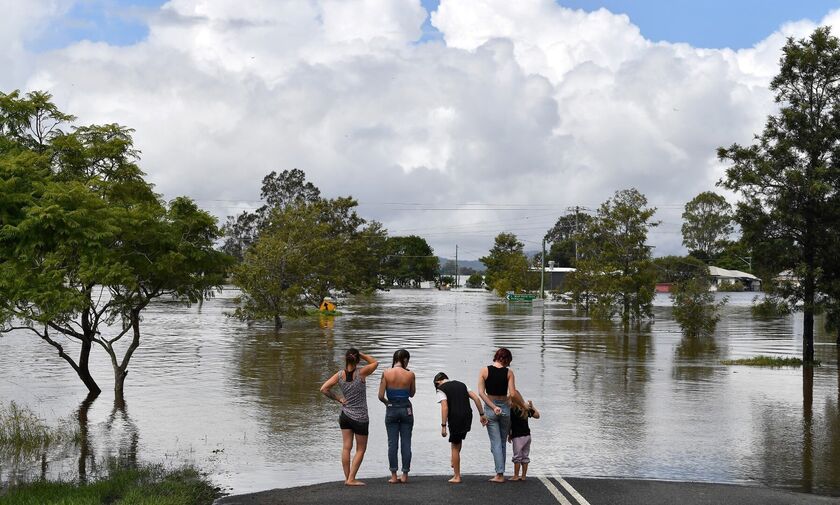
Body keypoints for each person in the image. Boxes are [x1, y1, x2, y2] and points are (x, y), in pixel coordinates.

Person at [319, 348, 379, 486]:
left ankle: (348, 478)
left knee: (346, 447)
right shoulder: (361, 373)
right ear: (357, 360)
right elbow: (375, 363)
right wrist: (362, 354)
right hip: (360, 417)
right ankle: (351, 479)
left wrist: (338, 398)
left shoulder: (339, 375)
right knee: (361, 449)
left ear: (346, 359)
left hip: (345, 415)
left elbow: (323, 389)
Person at [434, 372, 487, 484]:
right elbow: (476, 398)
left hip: (455, 417)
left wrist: (443, 426)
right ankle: (454, 460)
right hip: (467, 416)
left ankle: (457, 476)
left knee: (454, 445)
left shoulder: (441, 389)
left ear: (438, 382)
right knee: (457, 441)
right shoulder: (462, 384)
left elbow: (444, 407)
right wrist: (482, 414)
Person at [477, 347, 516, 483]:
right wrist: (509, 401)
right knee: (502, 442)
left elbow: (481, 393)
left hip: (490, 407)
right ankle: (501, 472)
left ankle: (499, 474)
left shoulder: (484, 371)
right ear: (507, 359)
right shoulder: (509, 373)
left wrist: (493, 407)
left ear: (496, 357)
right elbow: (512, 393)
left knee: (495, 442)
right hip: (505, 407)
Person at [377, 349, 416, 483]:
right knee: (406, 442)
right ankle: (405, 475)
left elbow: (380, 396)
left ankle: (394, 476)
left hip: (392, 408)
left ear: (395, 359)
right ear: (405, 360)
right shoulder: (410, 374)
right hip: (406, 409)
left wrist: (388, 403)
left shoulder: (386, 373)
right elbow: (412, 394)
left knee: (392, 443)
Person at [508, 391, 540, 481]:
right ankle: (523, 476)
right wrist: (532, 406)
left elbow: (509, 424)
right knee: (525, 456)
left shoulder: (512, 410)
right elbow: (537, 416)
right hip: (527, 436)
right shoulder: (525, 409)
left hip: (517, 437)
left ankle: (516, 475)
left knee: (517, 456)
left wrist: (509, 434)